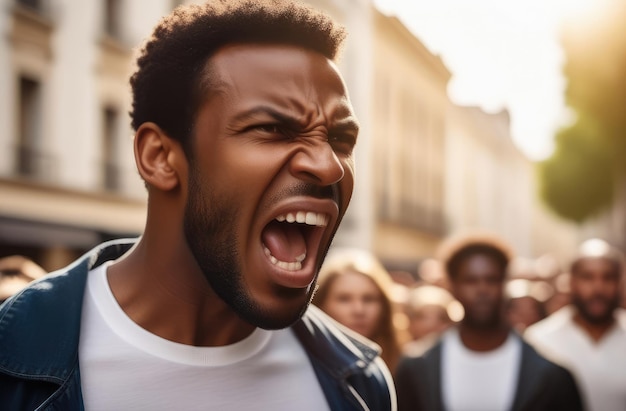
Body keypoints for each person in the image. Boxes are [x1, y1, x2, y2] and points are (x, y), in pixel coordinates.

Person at [0, 1, 396, 410]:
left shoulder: (360, 382)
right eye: (273, 129)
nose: (329, 165)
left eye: (341, 141)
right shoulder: (12, 366)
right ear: (159, 157)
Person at [395, 232, 583, 411]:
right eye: (471, 281)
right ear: (452, 286)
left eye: (491, 280)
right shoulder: (417, 368)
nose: (482, 290)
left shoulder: (550, 374)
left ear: (504, 283)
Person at [525, 238, 626, 411]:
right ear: (571, 282)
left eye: (608, 277)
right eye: (587, 277)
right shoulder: (538, 340)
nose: (598, 287)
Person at [312, 247, 403, 371]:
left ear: (385, 306)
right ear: (320, 304)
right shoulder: (304, 363)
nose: (358, 310)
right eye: (344, 299)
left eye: (369, 299)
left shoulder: (408, 364)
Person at [402, 284, 456, 357]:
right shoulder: (404, 354)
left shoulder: (453, 352)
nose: (431, 324)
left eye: (442, 318)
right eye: (419, 317)